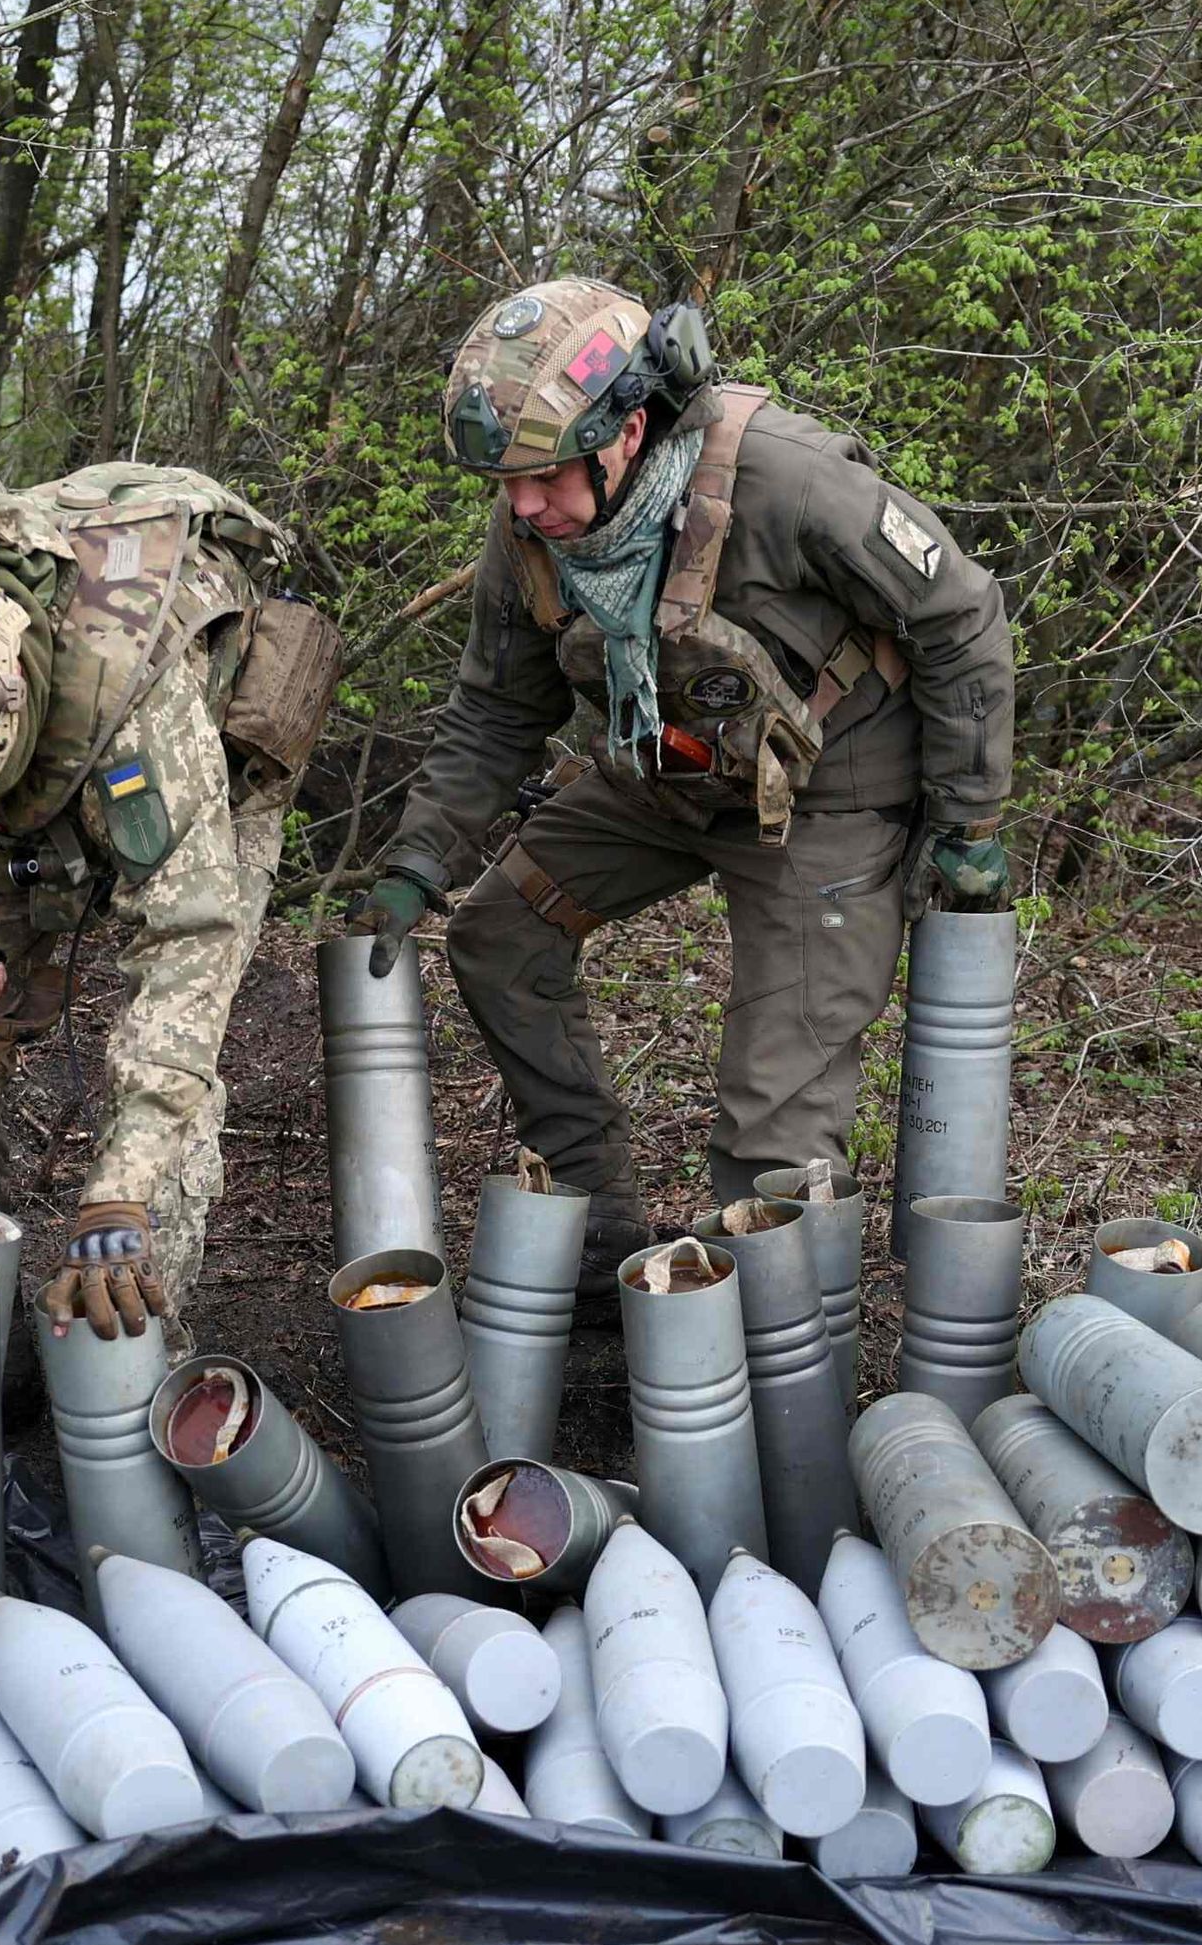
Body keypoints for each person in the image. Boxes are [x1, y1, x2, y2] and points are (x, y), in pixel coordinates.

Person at [363, 279, 1015, 1280]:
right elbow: (498, 708)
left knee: (773, 1139)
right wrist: (420, 854)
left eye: (544, 476)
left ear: (627, 431)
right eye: (506, 483)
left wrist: (968, 822)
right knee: (500, 931)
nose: (524, 504)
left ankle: (771, 1371)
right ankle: (591, 1222)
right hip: (662, 774)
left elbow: (959, 617)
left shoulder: (788, 484)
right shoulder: (531, 530)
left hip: (828, 798)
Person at [0, 464, 338, 1333]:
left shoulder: (136, 716)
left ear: (0, 722)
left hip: (210, 764)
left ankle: (139, 1367)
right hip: (14, 801)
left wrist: (119, 1194)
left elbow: (186, 951)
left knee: (163, 1114)